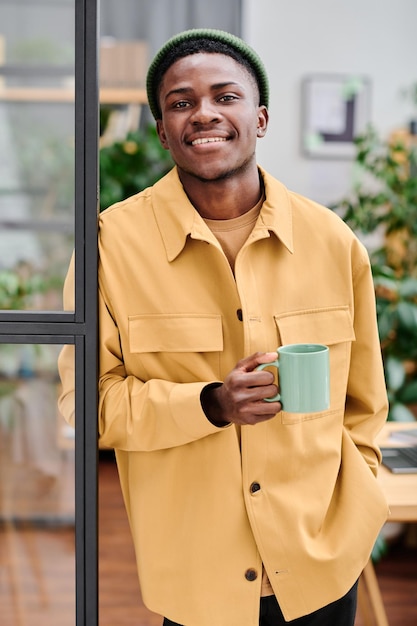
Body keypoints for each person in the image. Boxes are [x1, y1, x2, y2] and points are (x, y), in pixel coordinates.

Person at [58, 28, 389, 626]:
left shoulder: (332, 241)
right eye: (180, 102)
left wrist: (357, 509)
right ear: (162, 130)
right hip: (196, 576)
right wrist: (208, 403)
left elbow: (364, 404)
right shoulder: (111, 248)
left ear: (259, 118)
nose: (202, 113)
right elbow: (86, 403)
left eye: (224, 96)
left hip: (322, 566)